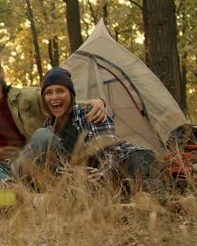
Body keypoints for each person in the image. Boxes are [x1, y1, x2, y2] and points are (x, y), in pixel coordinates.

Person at [0, 50, 107, 186]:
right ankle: (23, 195)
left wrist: (97, 102)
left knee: (43, 135)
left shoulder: (26, 96)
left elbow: (58, 101)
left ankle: (11, 195)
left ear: (1, 72)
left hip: (32, 162)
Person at [28, 67, 163, 196]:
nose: (54, 97)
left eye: (60, 91)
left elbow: (110, 150)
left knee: (142, 171)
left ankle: (157, 201)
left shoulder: (89, 112)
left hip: (120, 163)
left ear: (71, 94)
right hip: (89, 179)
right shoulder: (47, 130)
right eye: (48, 92)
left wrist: (103, 173)